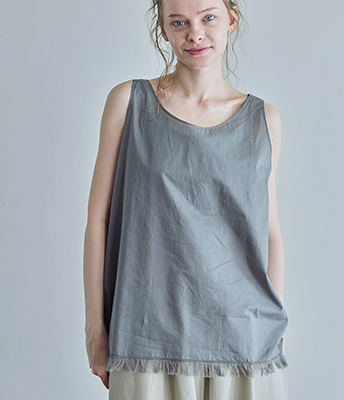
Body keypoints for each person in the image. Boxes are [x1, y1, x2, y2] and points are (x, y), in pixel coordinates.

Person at [83, 0, 289, 398]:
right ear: (163, 29)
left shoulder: (264, 120)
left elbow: (270, 233)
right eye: (179, 22)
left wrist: (274, 327)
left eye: (208, 17)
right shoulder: (129, 103)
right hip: (146, 337)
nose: (195, 34)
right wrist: (95, 328)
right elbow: (98, 222)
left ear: (231, 19)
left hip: (244, 341)